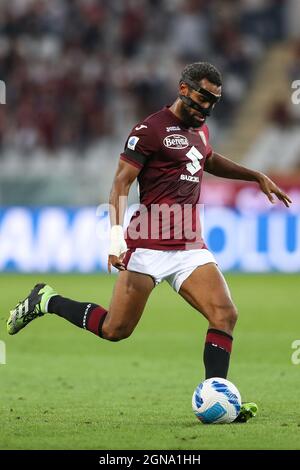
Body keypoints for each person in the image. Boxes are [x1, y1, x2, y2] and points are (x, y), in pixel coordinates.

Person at [7, 62, 291, 422]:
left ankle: (218, 398)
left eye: (214, 100)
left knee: (224, 314)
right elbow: (120, 185)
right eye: (203, 96)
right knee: (115, 330)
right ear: (184, 89)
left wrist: (255, 176)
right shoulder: (149, 130)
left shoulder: (200, 130)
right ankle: (46, 300)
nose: (207, 106)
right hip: (147, 244)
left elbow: (208, 160)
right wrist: (114, 239)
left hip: (189, 245)